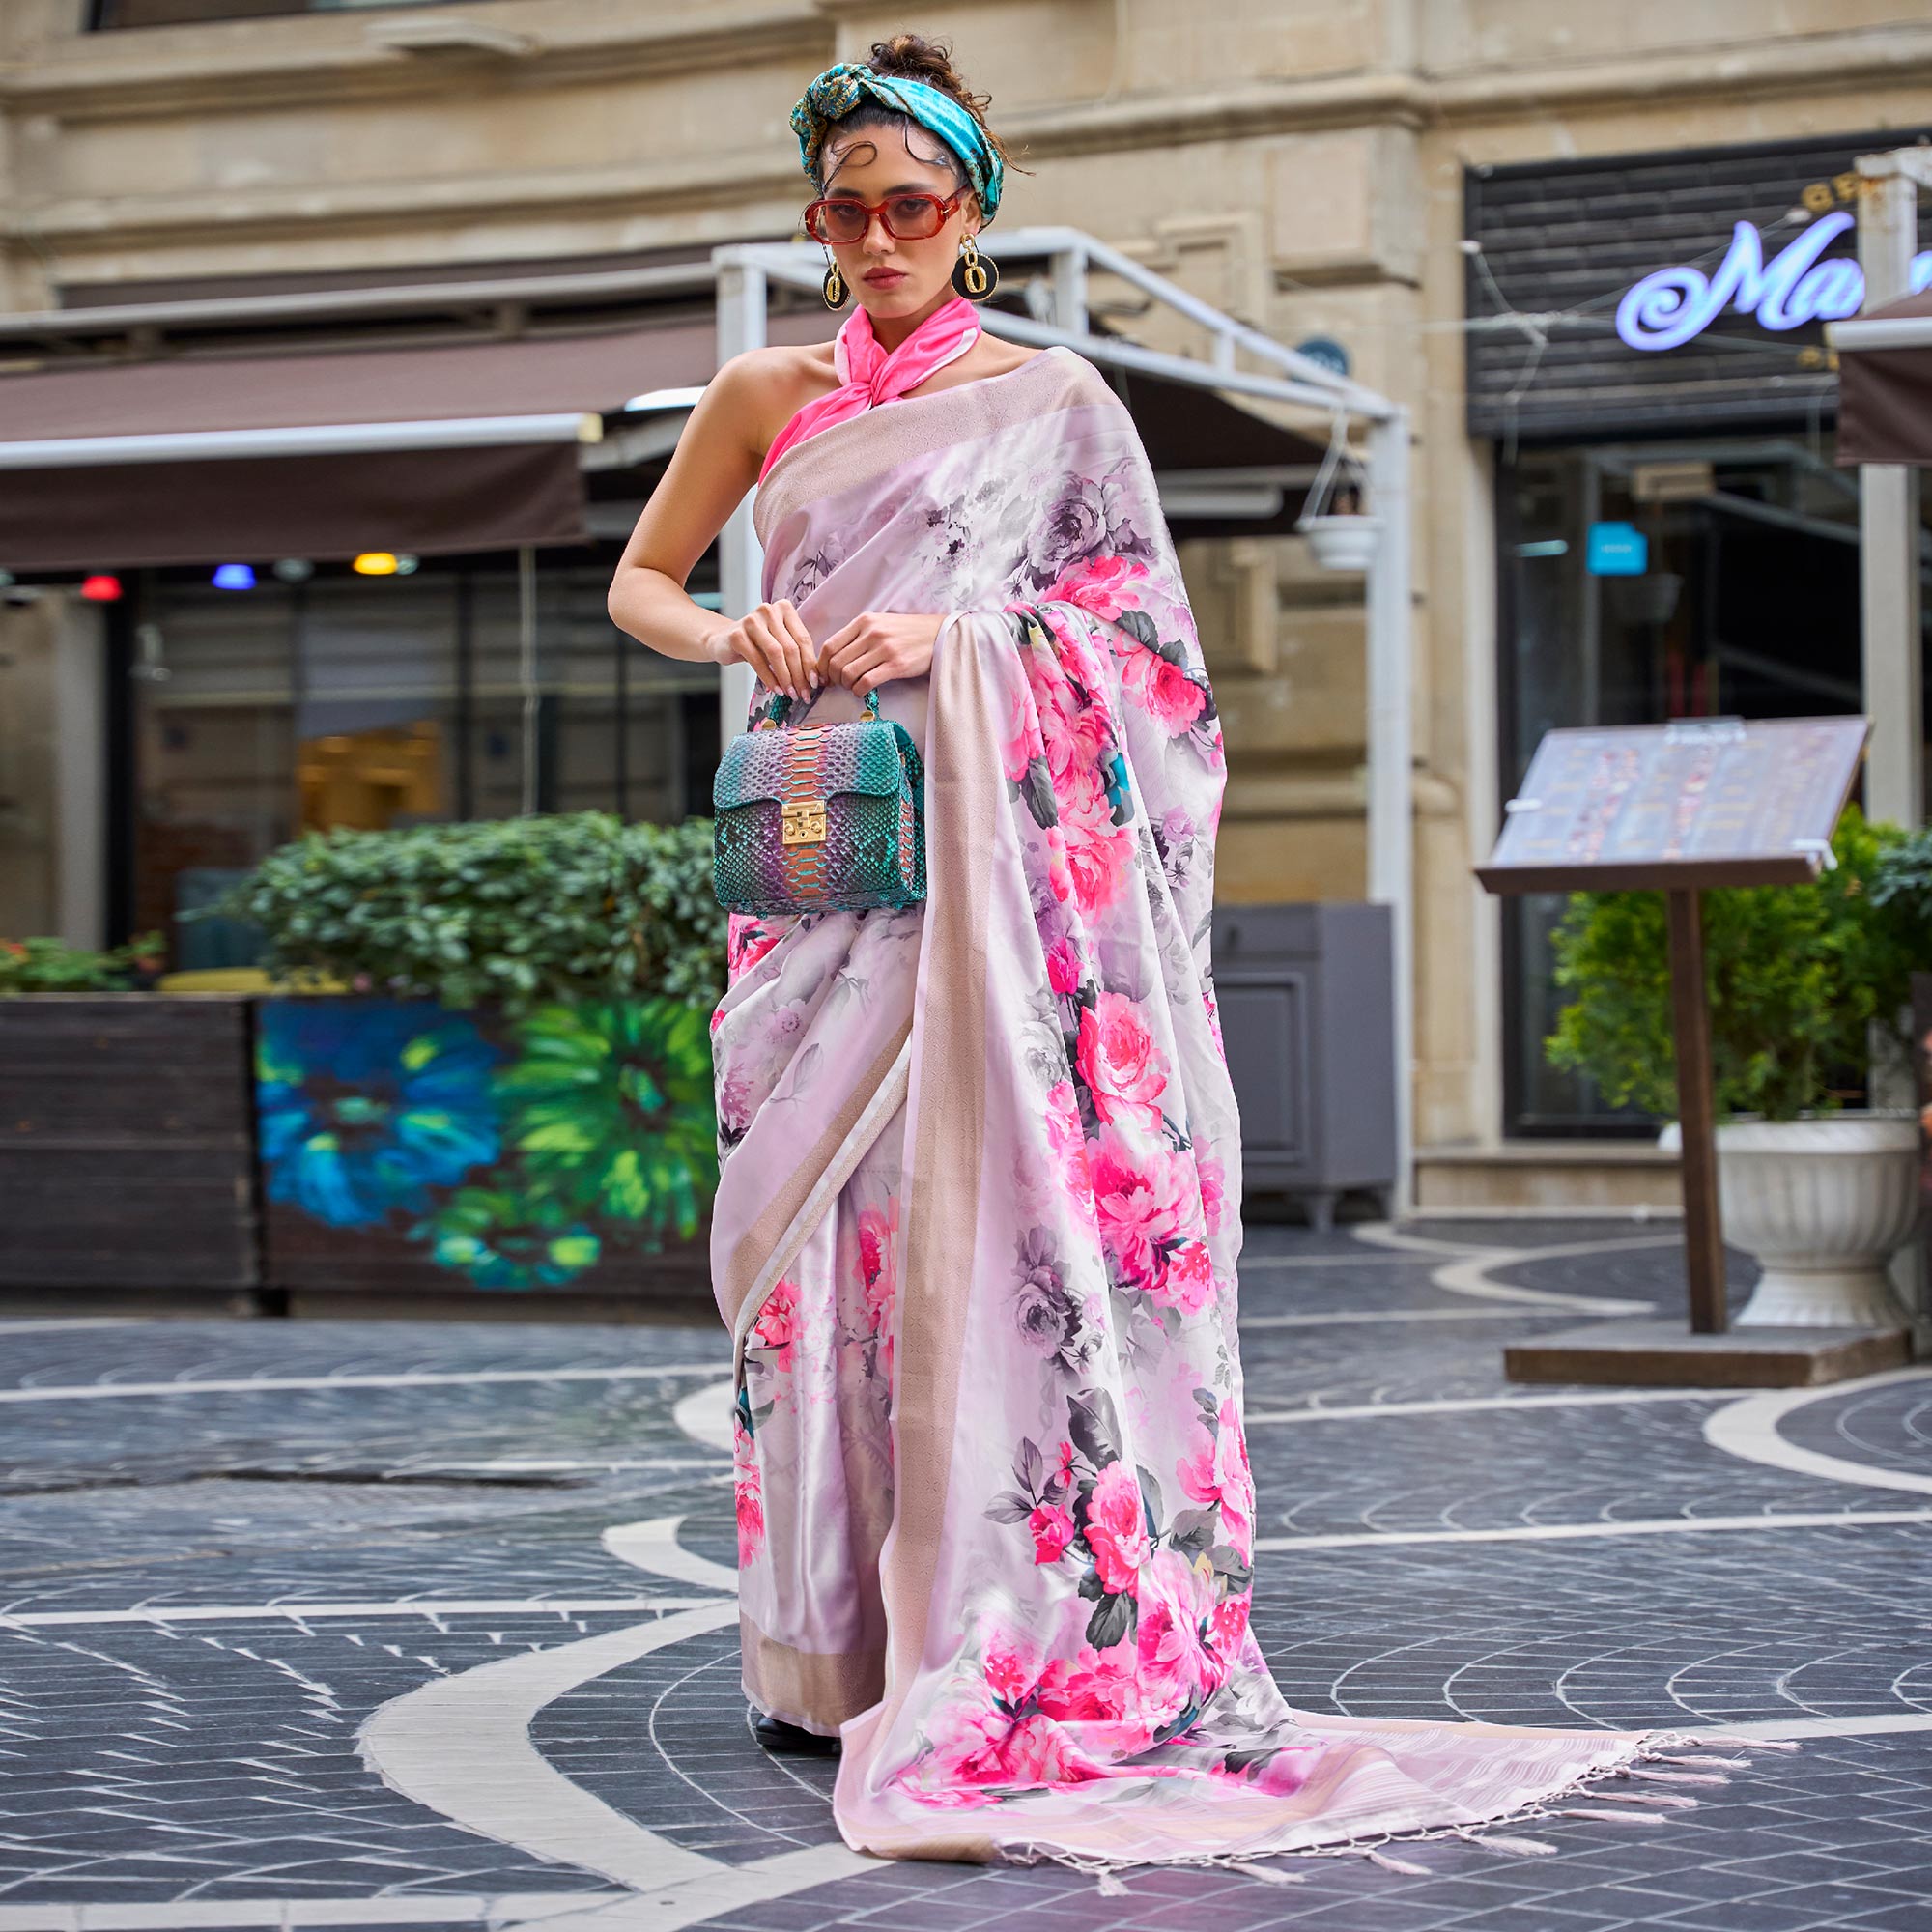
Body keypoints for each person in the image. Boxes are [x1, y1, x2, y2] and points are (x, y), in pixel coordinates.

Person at [606, 30, 1766, 1886]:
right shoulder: (763, 389)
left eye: (917, 203)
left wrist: (961, 648)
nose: (884, 235)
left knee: (974, 1247)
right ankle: (825, 1655)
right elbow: (638, 580)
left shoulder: (1057, 400)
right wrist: (735, 633)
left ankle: (994, 1637)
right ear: (817, 226)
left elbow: (1149, 667)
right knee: (818, 1264)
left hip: (1000, 901)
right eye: (850, 209)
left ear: (974, 210)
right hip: (825, 876)